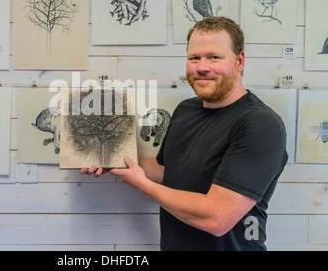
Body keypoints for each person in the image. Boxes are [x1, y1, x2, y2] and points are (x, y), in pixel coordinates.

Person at [80, 16, 288, 251]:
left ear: (239, 61)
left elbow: (217, 218)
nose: (202, 67)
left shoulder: (259, 124)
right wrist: (116, 160)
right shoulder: (185, 110)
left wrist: (141, 185)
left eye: (214, 57)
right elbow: (165, 172)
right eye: (194, 58)